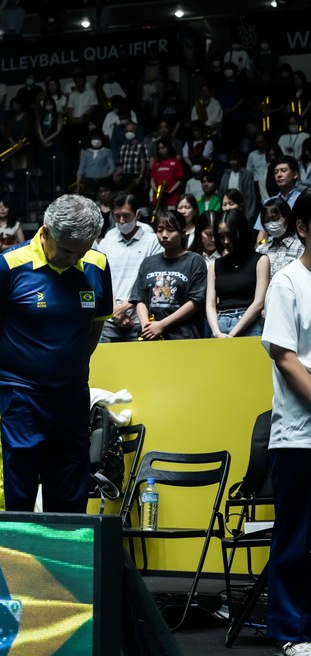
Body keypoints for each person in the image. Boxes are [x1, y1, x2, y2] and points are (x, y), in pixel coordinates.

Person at [0, 194, 111, 513]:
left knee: (72, 495)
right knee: (15, 496)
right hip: (19, 400)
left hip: (72, 399)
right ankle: (11, 563)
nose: (74, 259)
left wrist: (68, 370)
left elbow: (93, 329)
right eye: (66, 250)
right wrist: (7, 380)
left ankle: (64, 563)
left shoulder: (98, 265)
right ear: (45, 232)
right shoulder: (8, 267)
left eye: (82, 251)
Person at [261, 187, 311, 656]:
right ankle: (291, 631)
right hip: (300, 437)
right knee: (296, 538)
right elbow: (286, 357)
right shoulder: (287, 282)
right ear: (303, 228)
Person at [129, 209, 208, 340]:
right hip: (151, 336)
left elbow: (195, 302)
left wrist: (161, 325)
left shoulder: (195, 261)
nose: (164, 235)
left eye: (171, 230)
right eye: (160, 230)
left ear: (183, 233)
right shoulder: (148, 262)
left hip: (183, 336)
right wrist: (146, 326)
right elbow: (139, 299)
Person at [95, 193, 162, 342]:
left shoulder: (152, 241)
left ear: (137, 215)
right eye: (117, 216)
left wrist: (125, 308)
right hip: (109, 320)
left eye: (126, 216)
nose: (121, 221)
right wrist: (115, 311)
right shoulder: (106, 242)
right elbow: (101, 278)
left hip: (141, 320)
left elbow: (151, 281)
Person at [206, 209, 270, 338]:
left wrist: (233, 333)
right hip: (220, 324)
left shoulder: (260, 260)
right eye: (221, 236)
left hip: (250, 324)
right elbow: (210, 304)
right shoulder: (215, 265)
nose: (226, 241)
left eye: (230, 235)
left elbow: (258, 303)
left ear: (242, 231)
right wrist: (216, 332)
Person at [258, 198, 305, 279]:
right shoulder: (261, 249)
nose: (271, 224)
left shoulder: (301, 247)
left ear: (287, 218)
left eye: (275, 219)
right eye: (267, 220)